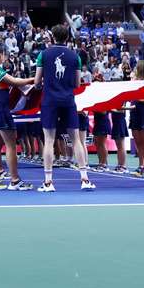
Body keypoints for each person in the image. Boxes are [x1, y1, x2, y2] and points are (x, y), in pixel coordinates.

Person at [35, 25, 94, 192]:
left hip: (49, 101)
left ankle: (48, 182)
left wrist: (43, 85)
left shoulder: (43, 54)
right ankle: (84, 179)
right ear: (67, 38)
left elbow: (37, 82)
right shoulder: (75, 57)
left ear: (53, 37)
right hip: (68, 100)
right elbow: (77, 83)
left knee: (49, 140)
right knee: (76, 140)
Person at [0, 44, 34, 190]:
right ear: (0, 55)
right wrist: (33, 79)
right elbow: (15, 81)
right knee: (10, 146)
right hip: (0, 110)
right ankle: (15, 181)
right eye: (4, 54)